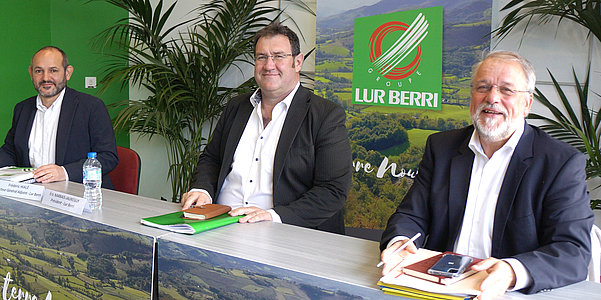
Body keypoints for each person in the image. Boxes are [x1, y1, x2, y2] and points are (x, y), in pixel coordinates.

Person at [379, 51, 593, 298]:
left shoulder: (560, 163)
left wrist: (512, 271)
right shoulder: (442, 147)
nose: (492, 98)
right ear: (472, 96)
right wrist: (400, 243)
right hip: (437, 288)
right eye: (483, 87)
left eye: (506, 90)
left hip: (508, 293)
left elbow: (573, 251)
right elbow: (411, 215)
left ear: (527, 104)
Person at [181, 22, 352, 234]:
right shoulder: (236, 107)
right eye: (262, 57)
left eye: (279, 56)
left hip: (283, 232)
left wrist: (273, 216)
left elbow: (332, 191)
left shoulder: (325, 115)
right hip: (217, 224)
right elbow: (212, 158)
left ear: (298, 62)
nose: (269, 65)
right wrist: (202, 190)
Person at [0, 46, 118, 188]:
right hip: (32, 193)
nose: (45, 78)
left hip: (79, 194)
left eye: (53, 70)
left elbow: (108, 157)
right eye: (39, 71)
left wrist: (64, 172)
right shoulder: (22, 109)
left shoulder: (91, 107)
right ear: (31, 73)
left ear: (67, 73)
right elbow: (10, 150)